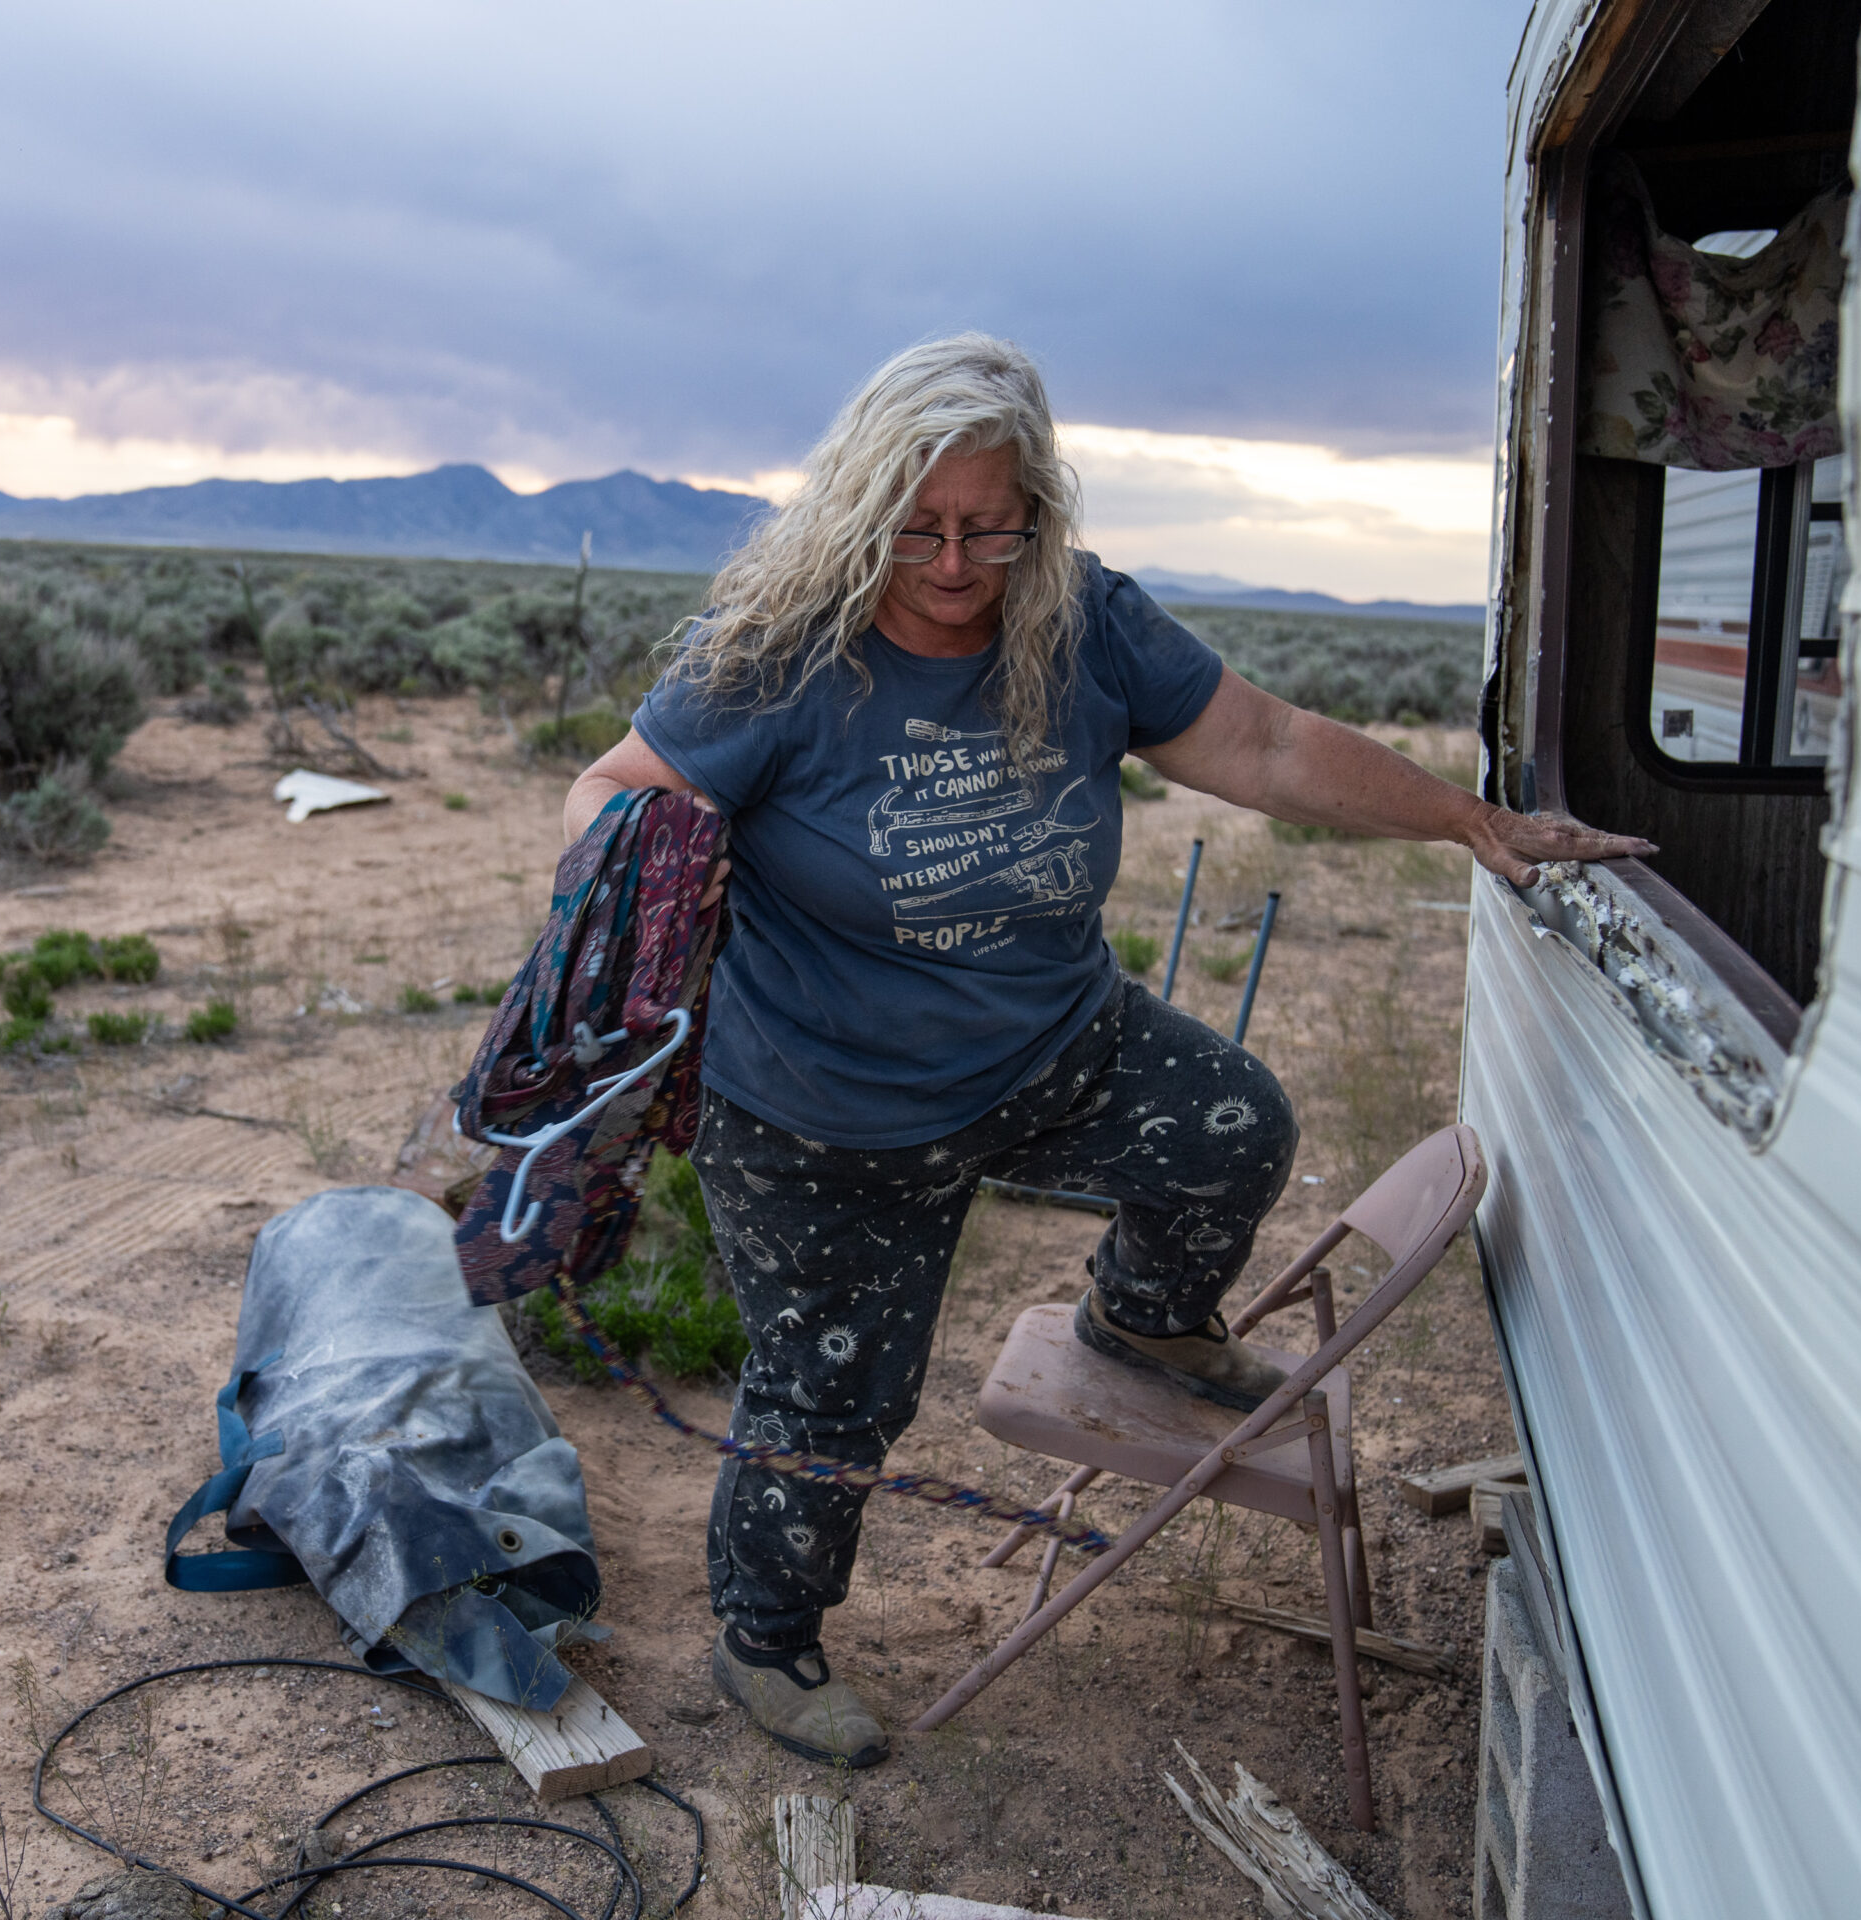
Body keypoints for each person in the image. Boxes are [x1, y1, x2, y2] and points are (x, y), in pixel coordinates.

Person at [564, 334, 1649, 1769]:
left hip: (1050, 1043)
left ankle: (1139, 1317)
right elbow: (609, 793)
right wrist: (630, 920)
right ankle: (768, 1639)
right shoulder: (776, 657)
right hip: (828, 1114)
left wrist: (1469, 819)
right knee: (834, 1393)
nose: (953, 564)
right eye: (918, 528)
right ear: (858, 507)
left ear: (1040, 512)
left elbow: (1261, 746)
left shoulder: (1079, 623)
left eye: (989, 528)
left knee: (1232, 1129)